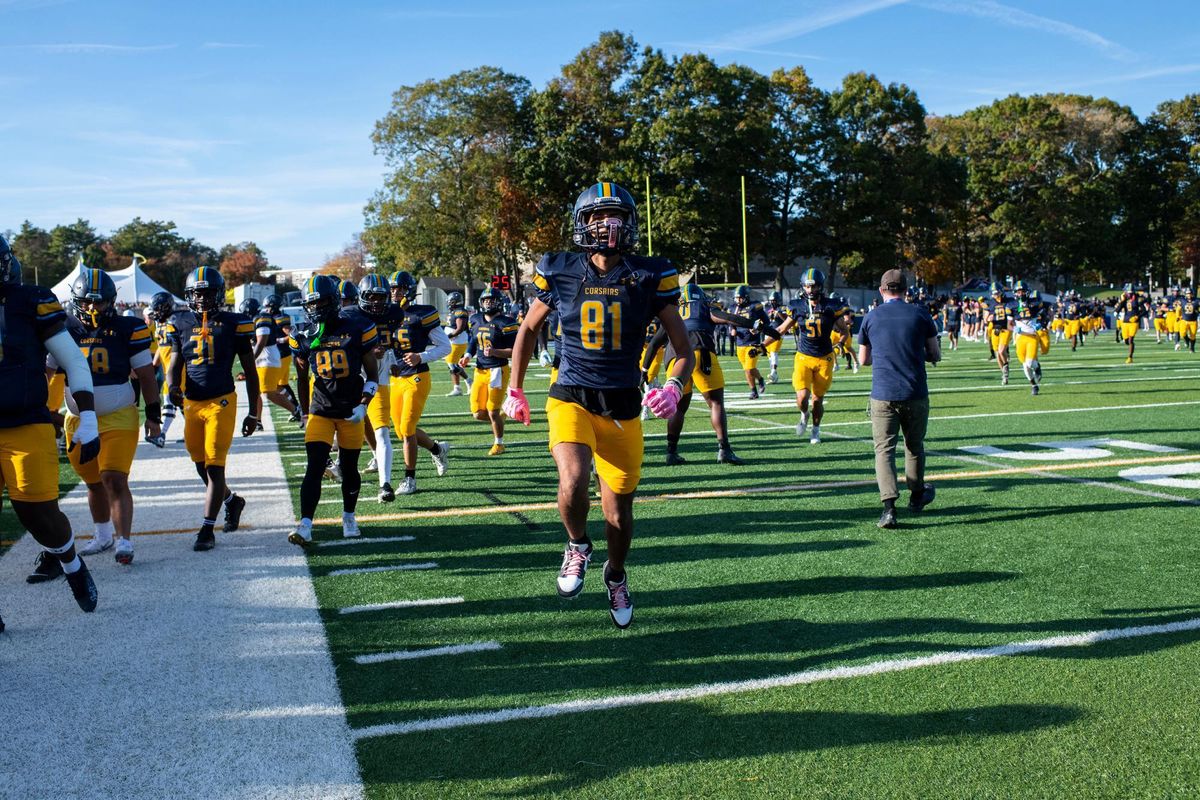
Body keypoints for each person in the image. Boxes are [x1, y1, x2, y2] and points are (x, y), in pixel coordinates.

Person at [502, 181, 693, 630]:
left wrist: (673, 387)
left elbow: (682, 346)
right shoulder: (560, 269)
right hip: (571, 394)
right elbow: (528, 331)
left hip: (623, 406)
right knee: (573, 476)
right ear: (582, 223)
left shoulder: (650, 275)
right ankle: (577, 545)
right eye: (597, 217)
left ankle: (616, 573)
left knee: (618, 514)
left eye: (617, 216)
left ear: (631, 224)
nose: (607, 225)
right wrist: (515, 387)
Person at [0, 234, 99, 614]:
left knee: (36, 513)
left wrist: (87, 417)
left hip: (26, 422)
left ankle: (72, 564)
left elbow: (73, 361)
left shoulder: (32, 301)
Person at [56, 268, 160, 565]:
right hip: (76, 418)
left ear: (111, 301)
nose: (92, 308)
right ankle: (102, 535)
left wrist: (152, 413)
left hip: (118, 416)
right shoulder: (63, 328)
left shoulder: (129, 327)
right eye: (87, 302)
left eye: (99, 302)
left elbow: (145, 374)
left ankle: (123, 540)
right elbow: (49, 373)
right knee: (93, 482)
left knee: (113, 477)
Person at [164, 267, 259, 551]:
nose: (203, 299)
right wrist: (171, 386)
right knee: (200, 466)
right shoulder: (179, 322)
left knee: (215, 467)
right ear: (189, 295)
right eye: (198, 293)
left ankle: (207, 529)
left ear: (218, 294)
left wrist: (254, 412)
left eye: (208, 293)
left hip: (222, 401)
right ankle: (232, 501)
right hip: (192, 403)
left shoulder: (234, 323)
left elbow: (250, 371)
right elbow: (175, 364)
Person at [287, 275, 380, 545]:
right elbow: (302, 378)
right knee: (315, 466)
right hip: (321, 410)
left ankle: (349, 516)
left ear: (335, 301)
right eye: (312, 304)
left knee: (350, 469)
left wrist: (364, 405)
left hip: (351, 409)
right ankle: (305, 524)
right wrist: (304, 413)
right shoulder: (303, 335)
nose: (316, 309)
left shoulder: (357, 327)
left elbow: (372, 374)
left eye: (323, 302)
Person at [641, 282, 770, 465]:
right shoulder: (704, 306)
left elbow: (654, 343)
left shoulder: (674, 311)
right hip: (701, 352)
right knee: (716, 403)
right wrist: (754, 324)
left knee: (678, 407)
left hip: (674, 360)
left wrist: (644, 370)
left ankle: (671, 452)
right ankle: (724, 450)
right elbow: (726, 317)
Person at [858, 269, 940, 529]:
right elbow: (935, 354)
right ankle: (916, 496)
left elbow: (863, 359)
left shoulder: (871, 317)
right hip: (914, 392)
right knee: (914, 446)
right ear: (906, 290)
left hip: (883, 393)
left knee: (884, 451)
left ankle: (889, 507)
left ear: (882, 290)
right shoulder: (920, 314)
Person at [385, 270, 451, 495]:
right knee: (402, 432)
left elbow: (445, 347)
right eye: (393, 288)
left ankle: (409, 479)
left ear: (409, 290)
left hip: (417, 376)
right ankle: (437, 448)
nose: (395, 292)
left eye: (400, 288)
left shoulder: (422, 314)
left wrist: (420, 356)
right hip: (396, 379)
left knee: (407, 428)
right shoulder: (385, 314)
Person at [772, 268, 850, 444]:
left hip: (824, 358)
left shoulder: (831, 306)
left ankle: (815, 430)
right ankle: (803, 414)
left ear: (820, 287)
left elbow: (844, 331)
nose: (810, 290)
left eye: (813, 286)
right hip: (803, 356)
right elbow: (780, 330)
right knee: (802, 399)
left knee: (817, 400)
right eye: (807, 286)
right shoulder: (797, 306)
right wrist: (762, 344)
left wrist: (839, 344)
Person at [355, 273, 400, 500]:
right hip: (352, 380)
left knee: (382, 432)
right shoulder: (349, 316)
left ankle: (386, 484)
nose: (376, 302)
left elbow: (398, 342)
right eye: (371, 297)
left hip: (379, 380)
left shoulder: (395, 315)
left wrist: (392, 358)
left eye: (381, 298)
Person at [460, 287, 518, 455]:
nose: (488, 303)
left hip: (498, 370)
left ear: (498, 302)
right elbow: (473, 340)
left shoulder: (506, 323)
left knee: (492, 410)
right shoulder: (476, 319)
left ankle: (499, 443)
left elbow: (515, 350)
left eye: (491, 300)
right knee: (478, 413)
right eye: (485, 300)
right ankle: (500, 417)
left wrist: (495, 352)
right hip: (480, 370)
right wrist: (467, 355)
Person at [243, 297, 299, 429]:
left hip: (272, 357)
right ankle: (257, 420)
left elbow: (263, 340)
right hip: (266, 358)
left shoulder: (264, 318)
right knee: (258, 390)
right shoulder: (262, 318)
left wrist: (280, 341)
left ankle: (296, 410)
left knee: (270, 391)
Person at [145, 291, 179, 446]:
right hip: (168, 370)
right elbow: (161, 346)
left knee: (170, 401)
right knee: (181, 404)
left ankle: (161, 435)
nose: (155, 313)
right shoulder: (162, 324)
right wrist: (154, 364)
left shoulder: (176, 322)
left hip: (177, 370)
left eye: (157, 309)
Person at [262, 295, 300, 413]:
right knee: (282, 384)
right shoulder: (273, 317)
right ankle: (296, 406)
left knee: (275, 385)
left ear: (274, 306)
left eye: (268, 306)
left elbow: (291, 335)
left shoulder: (280, 318)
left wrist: (279, 340)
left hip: (282, 354)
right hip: (280, 355)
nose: (266, 309)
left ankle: (296, 407)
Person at [731, 285, 770, 398]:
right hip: (740, 343)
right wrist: (732, 329)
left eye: (740, 298)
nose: (738, 300)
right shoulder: (733, 308)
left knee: (749, 368)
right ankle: (760, 379)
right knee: (748, 369)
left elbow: (766, 321)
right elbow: (730, 322)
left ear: (746, 297)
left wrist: (758, 328)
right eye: (736, 298)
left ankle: (753, 391)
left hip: (753, 342)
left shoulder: (754, 306)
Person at [443, 291, 472, 396]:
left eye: (451, 302)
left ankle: (466, 383)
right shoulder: (455, 311)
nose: (449, 303)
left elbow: (460, 328)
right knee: (452, 365)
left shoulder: (460, 311)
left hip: (458, 341)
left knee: (452, 364)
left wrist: (448, 336)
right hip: (454, 341)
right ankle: (458, 387)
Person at [985, 282, 1013, 384]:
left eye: (996, 293)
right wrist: (988, 318)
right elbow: (986, 318)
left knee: (1001, 351)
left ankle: (1006, 365)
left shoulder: (1009, 301)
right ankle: (1004, 374)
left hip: (1006, 328)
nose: (994, 295)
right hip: (995, 330)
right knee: (997, 354)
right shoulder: (991, 302)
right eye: (993, 293)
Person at [1113, 284, 1142, 364]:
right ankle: (1129, 347)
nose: (1127, 294)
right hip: (1125, 322)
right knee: (1126, 341)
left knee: (1131, 340)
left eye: (1129, 292)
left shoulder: (1138, 299)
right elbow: (1121, 306)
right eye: (1127, 292)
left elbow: (1144, 311)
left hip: (1133, 322)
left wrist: (1137, 317)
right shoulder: (1125, 299)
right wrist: (1116, 311)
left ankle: (1130, 357)